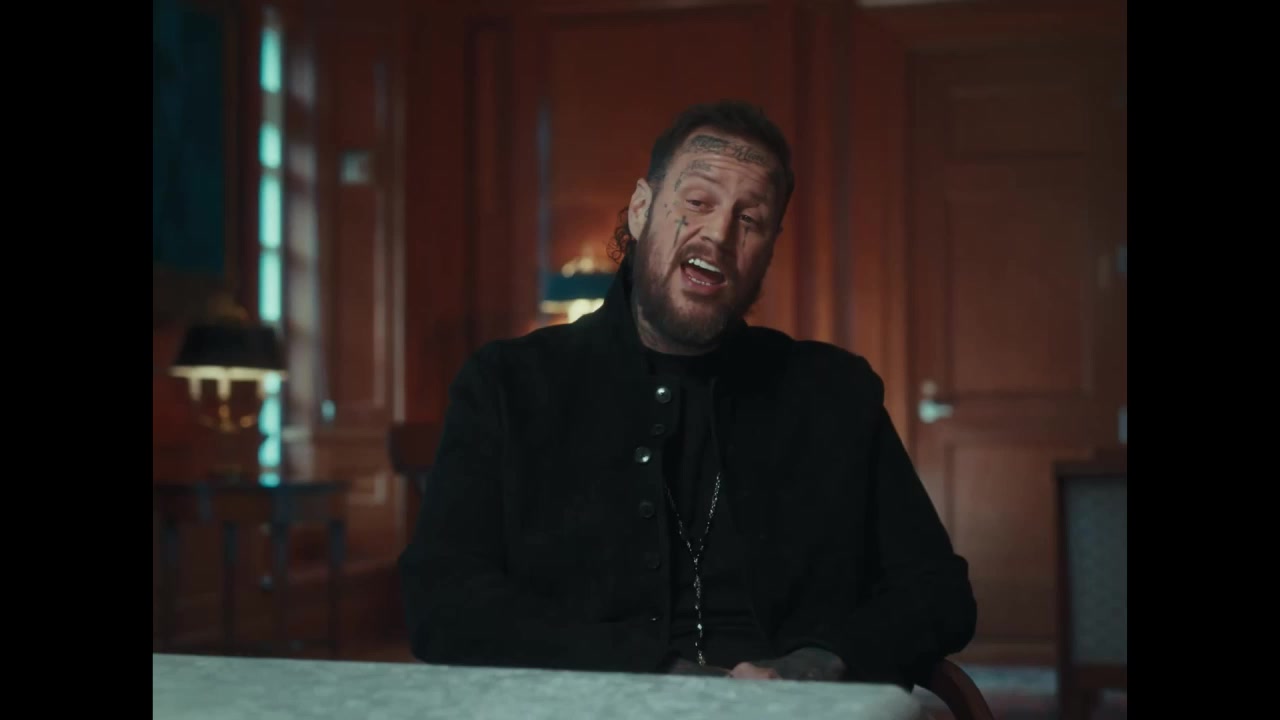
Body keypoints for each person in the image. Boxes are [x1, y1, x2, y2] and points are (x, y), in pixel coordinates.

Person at [398, 99, 976, 686]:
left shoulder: (835, 392)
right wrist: (652, 671)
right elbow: (441, 600)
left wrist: (815, 665)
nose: (720, 234)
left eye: (750, 219)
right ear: (642, 210)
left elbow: (938, 591)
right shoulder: (507, 384)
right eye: (698, 202)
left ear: (769, 248)